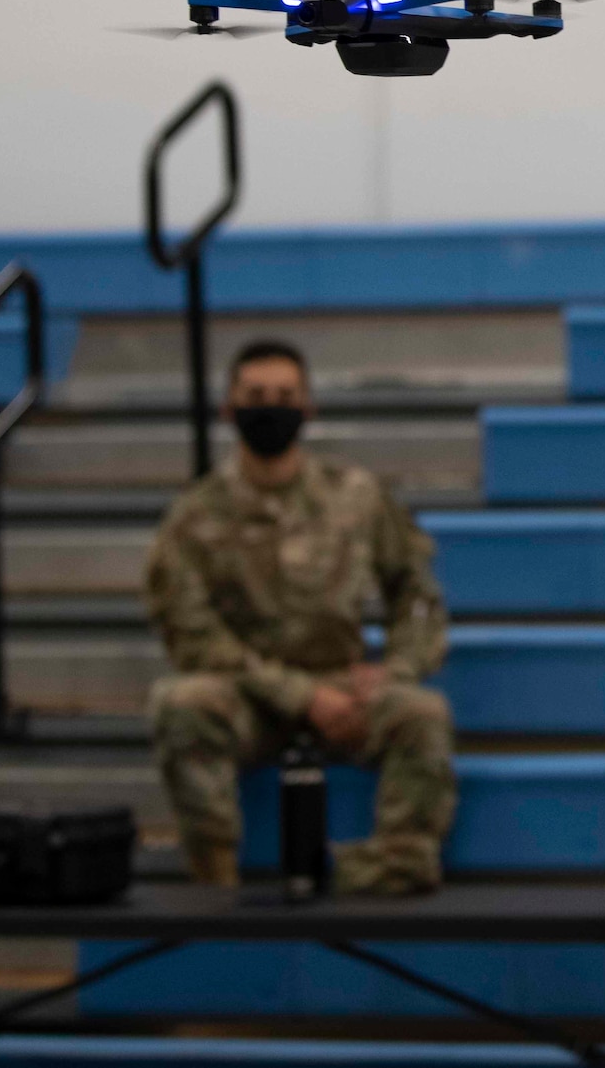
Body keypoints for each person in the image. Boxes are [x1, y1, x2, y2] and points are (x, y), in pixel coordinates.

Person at [144, 339, 456, 894]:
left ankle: (387, 870)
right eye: (256, 395)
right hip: (249, 696)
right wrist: (299, 696)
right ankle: (214, 880)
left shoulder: (355, 495)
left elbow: (418, 592)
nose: (271, 406)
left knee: (421, 713)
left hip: (346, 692)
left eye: (285, 395)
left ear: (308, 408)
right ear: (228, 409)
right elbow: (193, 637)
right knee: (180, 704)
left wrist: (398, 669)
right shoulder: (194, 515)